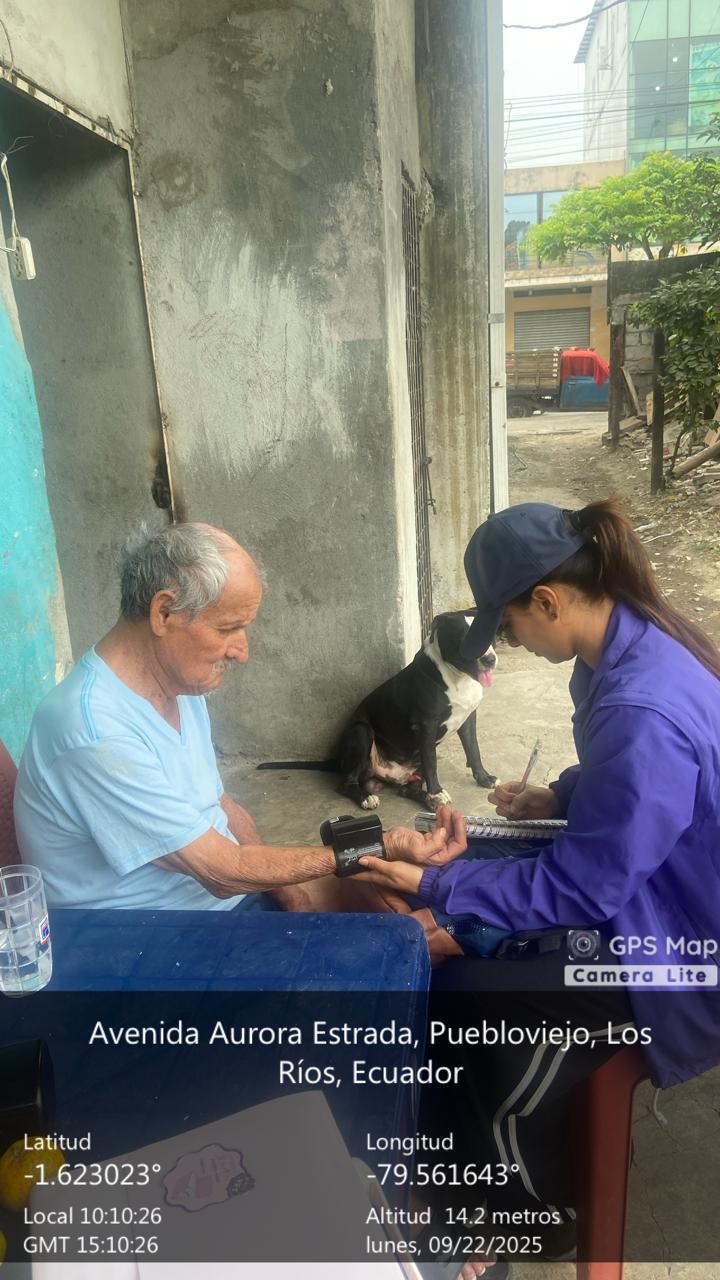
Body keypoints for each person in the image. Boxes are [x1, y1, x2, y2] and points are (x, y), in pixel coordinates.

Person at [358, 499, 720, 1247]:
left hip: (680, 945)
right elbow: (637, 790)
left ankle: (534, 1213)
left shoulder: (642, 705)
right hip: (655, 890)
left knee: (472, 998)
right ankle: (477, 1161)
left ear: (549, 601)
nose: (510, 642)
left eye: (510, 625)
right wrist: (562, 795)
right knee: (463, 890)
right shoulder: (625, 647)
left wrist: (434, 888)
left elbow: (582, 888)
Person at [14, 523, 459, 914]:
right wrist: (377, 845)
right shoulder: (92, 730)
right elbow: (223, 872)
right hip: (148, 938)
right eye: (228, 628)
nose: (242, 652)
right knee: (394, 934)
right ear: (163, 612)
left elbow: (220, 805)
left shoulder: (180, 684)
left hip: (219, 901)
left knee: (417, 901)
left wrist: (293, 897)